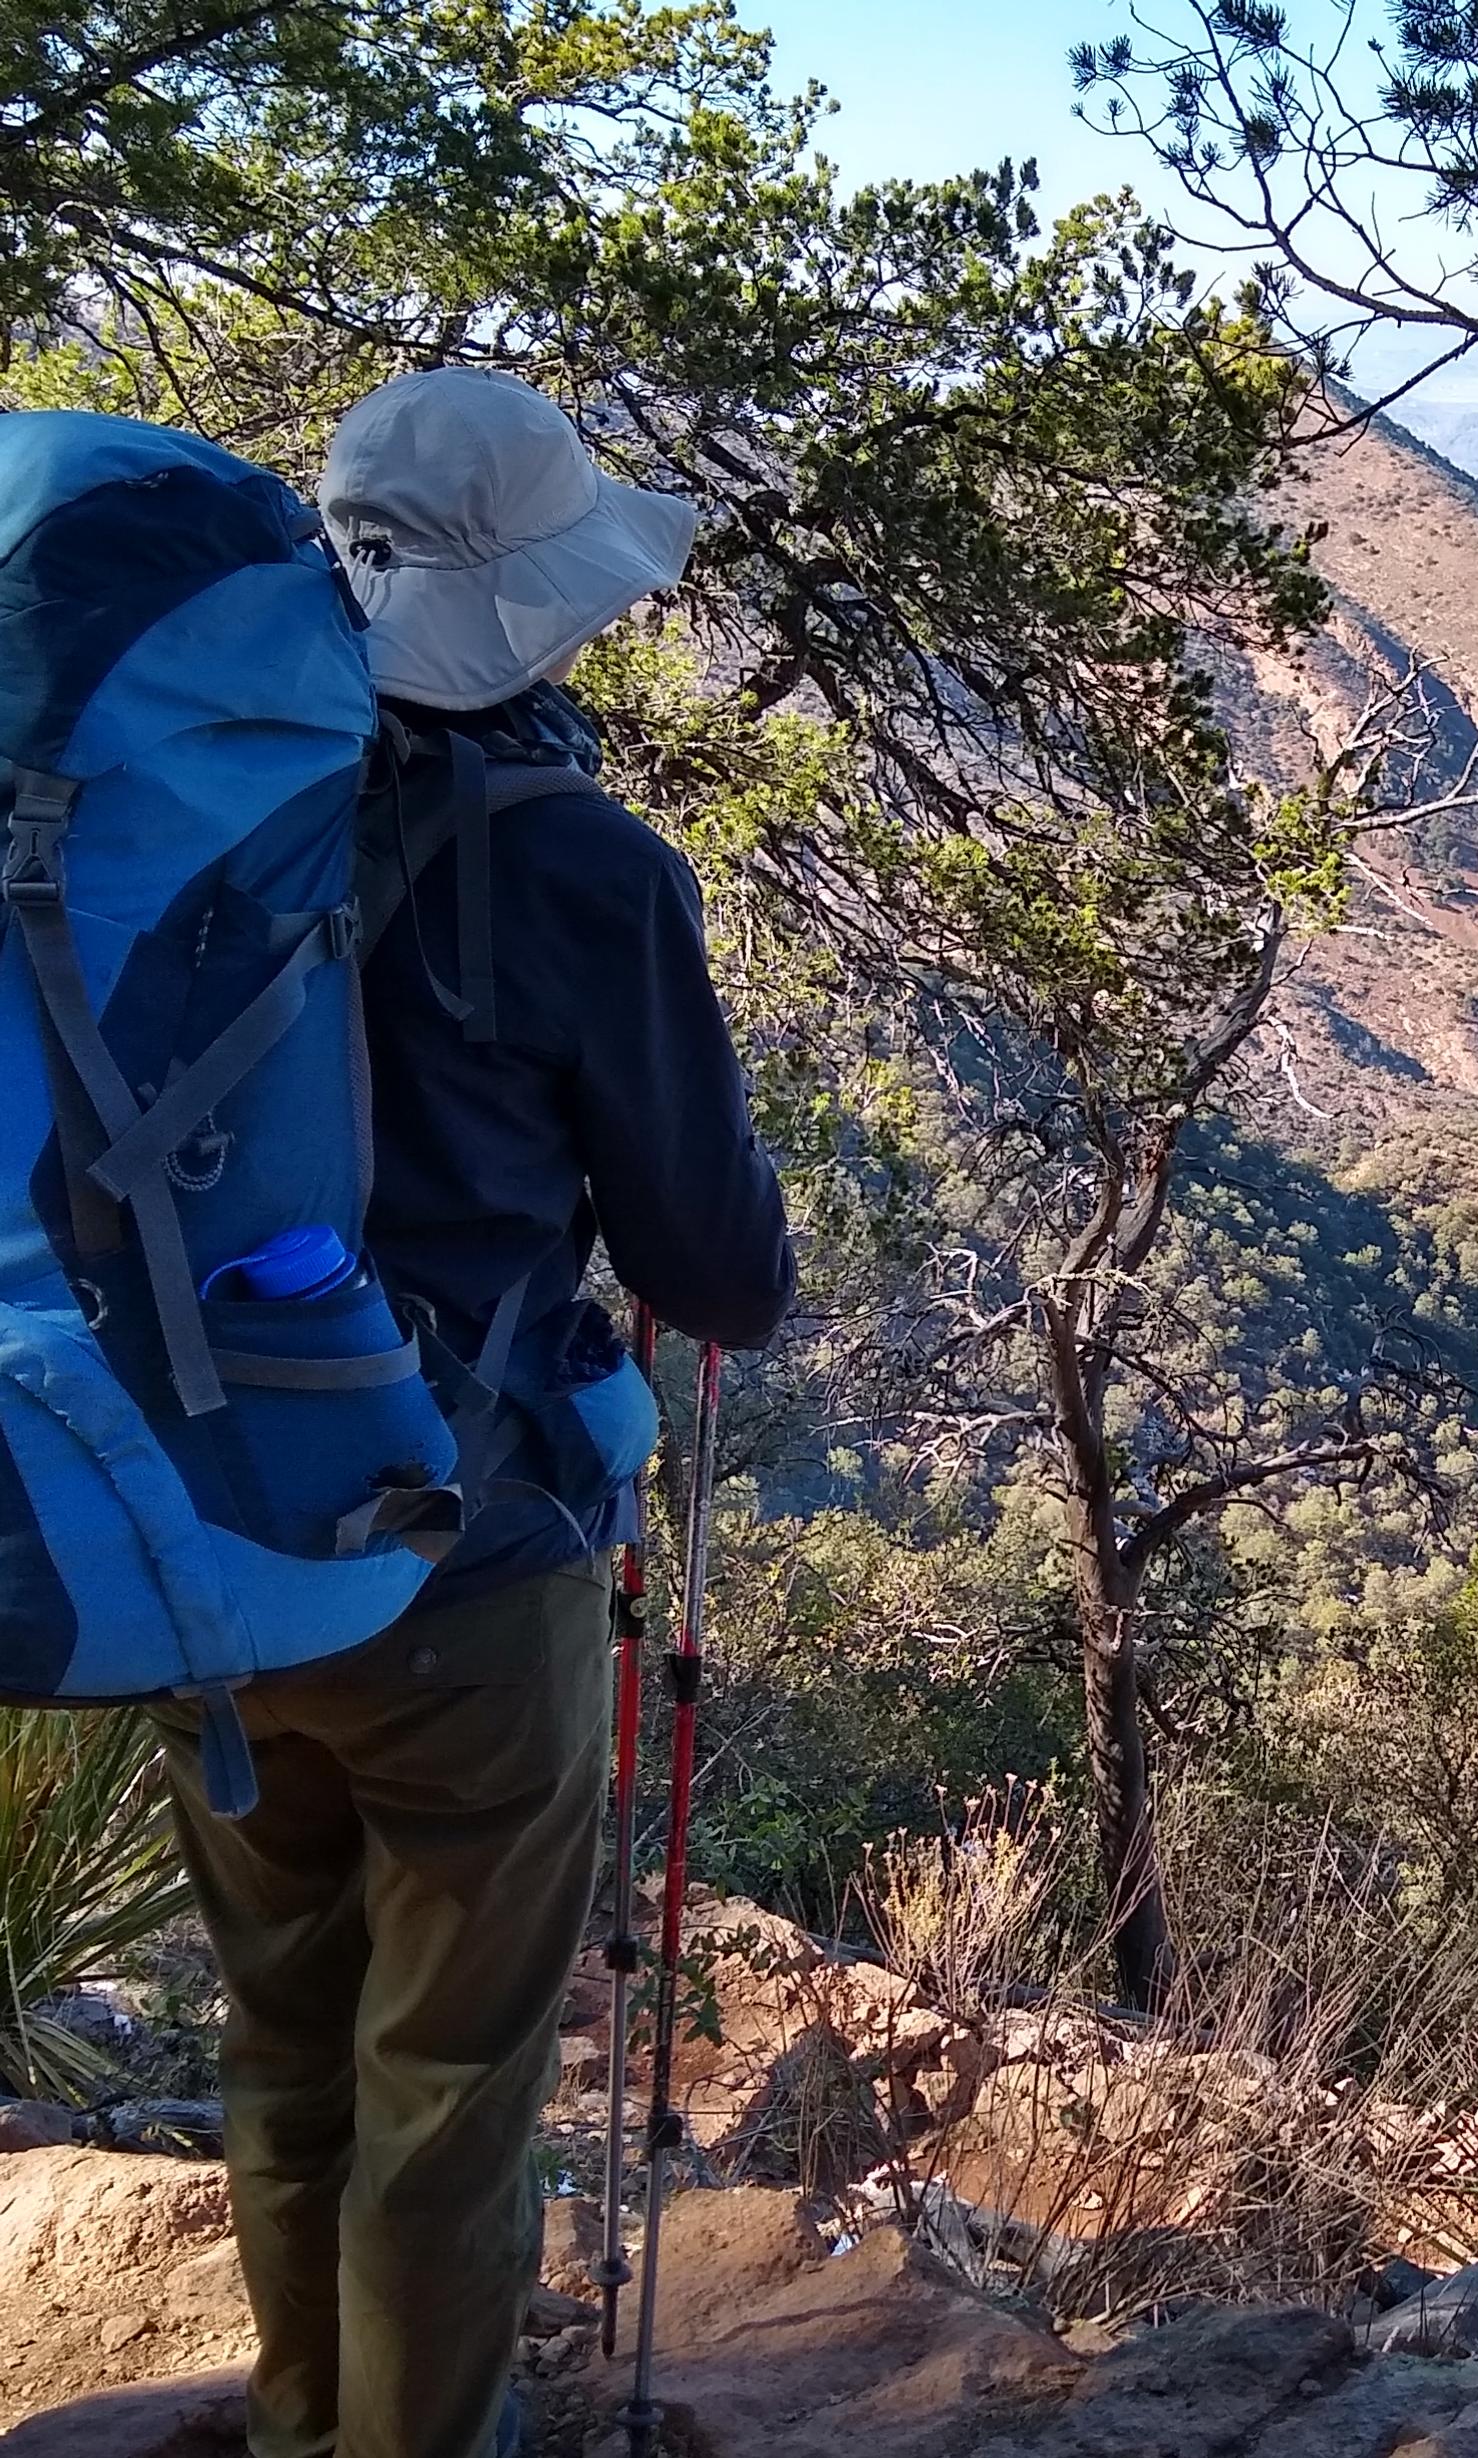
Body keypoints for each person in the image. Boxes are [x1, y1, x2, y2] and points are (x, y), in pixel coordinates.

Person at [149, 367, 796, 2458]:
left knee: (284, 2034)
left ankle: (295, 2419)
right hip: (465, 1558)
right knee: (449, 2082)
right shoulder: (586, 871)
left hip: (205, 1541)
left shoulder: (190, 817)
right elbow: (721, 1276)